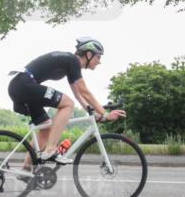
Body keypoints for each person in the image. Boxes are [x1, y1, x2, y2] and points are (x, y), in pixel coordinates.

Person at [8, 37, 125, 165]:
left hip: (21, 85)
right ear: (89, 54)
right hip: (24, 85)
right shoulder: (73, 60)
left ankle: (26, 169)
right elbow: (85, 91)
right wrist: (105, 114)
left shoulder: (71, 65)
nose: (99, 62)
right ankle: (51, 150)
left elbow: (79, 94)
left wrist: (93, 112)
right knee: (67, 104)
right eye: (98, 57)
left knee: (46, 127)